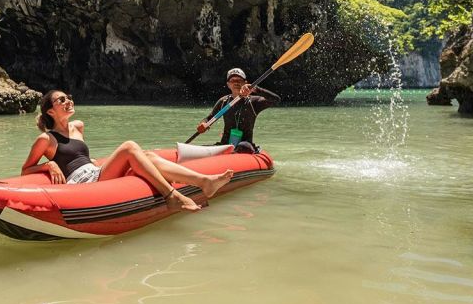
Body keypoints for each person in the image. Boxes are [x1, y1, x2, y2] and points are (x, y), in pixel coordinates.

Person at [22, 90, 235, 212]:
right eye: (62, 100)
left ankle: (204, 182)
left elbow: (81, 157)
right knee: (130, 146)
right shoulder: (46, 139)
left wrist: (95, 162)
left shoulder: (78, 126)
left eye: (68, 97)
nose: (68, 101)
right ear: (50, 111)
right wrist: (49, 164)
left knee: (149, 156)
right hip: (81, 183)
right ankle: (172, 196)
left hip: (95, 172)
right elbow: (26, 170)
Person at [195, 67, 281, 153]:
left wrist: (255, 88)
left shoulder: (254, 102)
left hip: (245, 146)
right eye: (232, 80)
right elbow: (209, 118)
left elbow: (276, 100)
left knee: (242, 146)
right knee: (200, 148)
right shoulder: (223, 102)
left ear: (245, 83)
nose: (236, 82)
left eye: (239, 80)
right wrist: (203, 124)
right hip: (225, 145)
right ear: (228, 84)